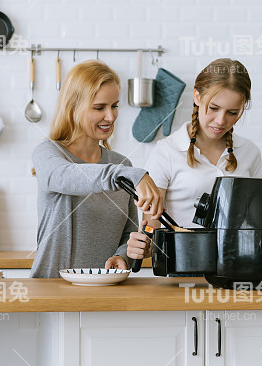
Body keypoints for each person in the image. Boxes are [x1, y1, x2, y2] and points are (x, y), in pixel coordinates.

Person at [31, 60, 163, 278]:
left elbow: (128, 235)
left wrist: (124, 256)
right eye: (99, 108)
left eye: (114, 106)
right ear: (73, 107)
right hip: (52, 291)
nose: (110, 117)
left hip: (105, 292)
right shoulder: (48, 154)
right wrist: (133, 175)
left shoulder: (122, 165)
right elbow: (68, 177)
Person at [127, 58, 262, 260]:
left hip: (238, 271)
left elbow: (260, 220)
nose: (220, 121)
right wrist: (143, 247)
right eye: (214, 108)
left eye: (232, 112)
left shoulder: (249, 152)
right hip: (183, 270)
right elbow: (152, 229)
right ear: (197, 97)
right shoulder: (166, 152)